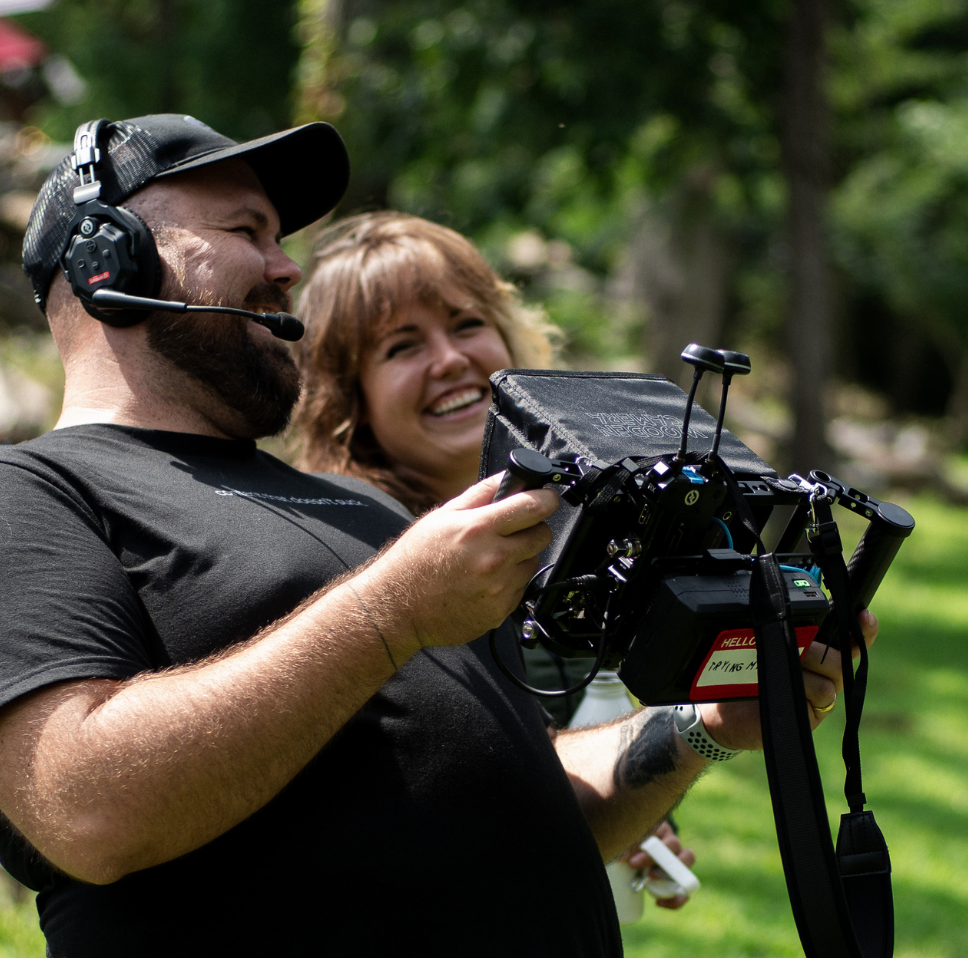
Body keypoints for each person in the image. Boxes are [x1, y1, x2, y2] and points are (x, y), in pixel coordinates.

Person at [0, 113, 869, 958]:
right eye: (245, 234)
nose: (286, 272)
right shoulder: (11, 499)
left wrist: (701, 722)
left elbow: (515, 815)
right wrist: (391, 611)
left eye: (284, 241)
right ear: (109, 262)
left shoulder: (364, 518)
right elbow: (82, 807)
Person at [289, 209, 698, 907]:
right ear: (344, 400)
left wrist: (639, 815)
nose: (450, 358)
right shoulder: (347, 565)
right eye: (401, 346)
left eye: (467, 323)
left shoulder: (571, 537)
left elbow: (558, 763)